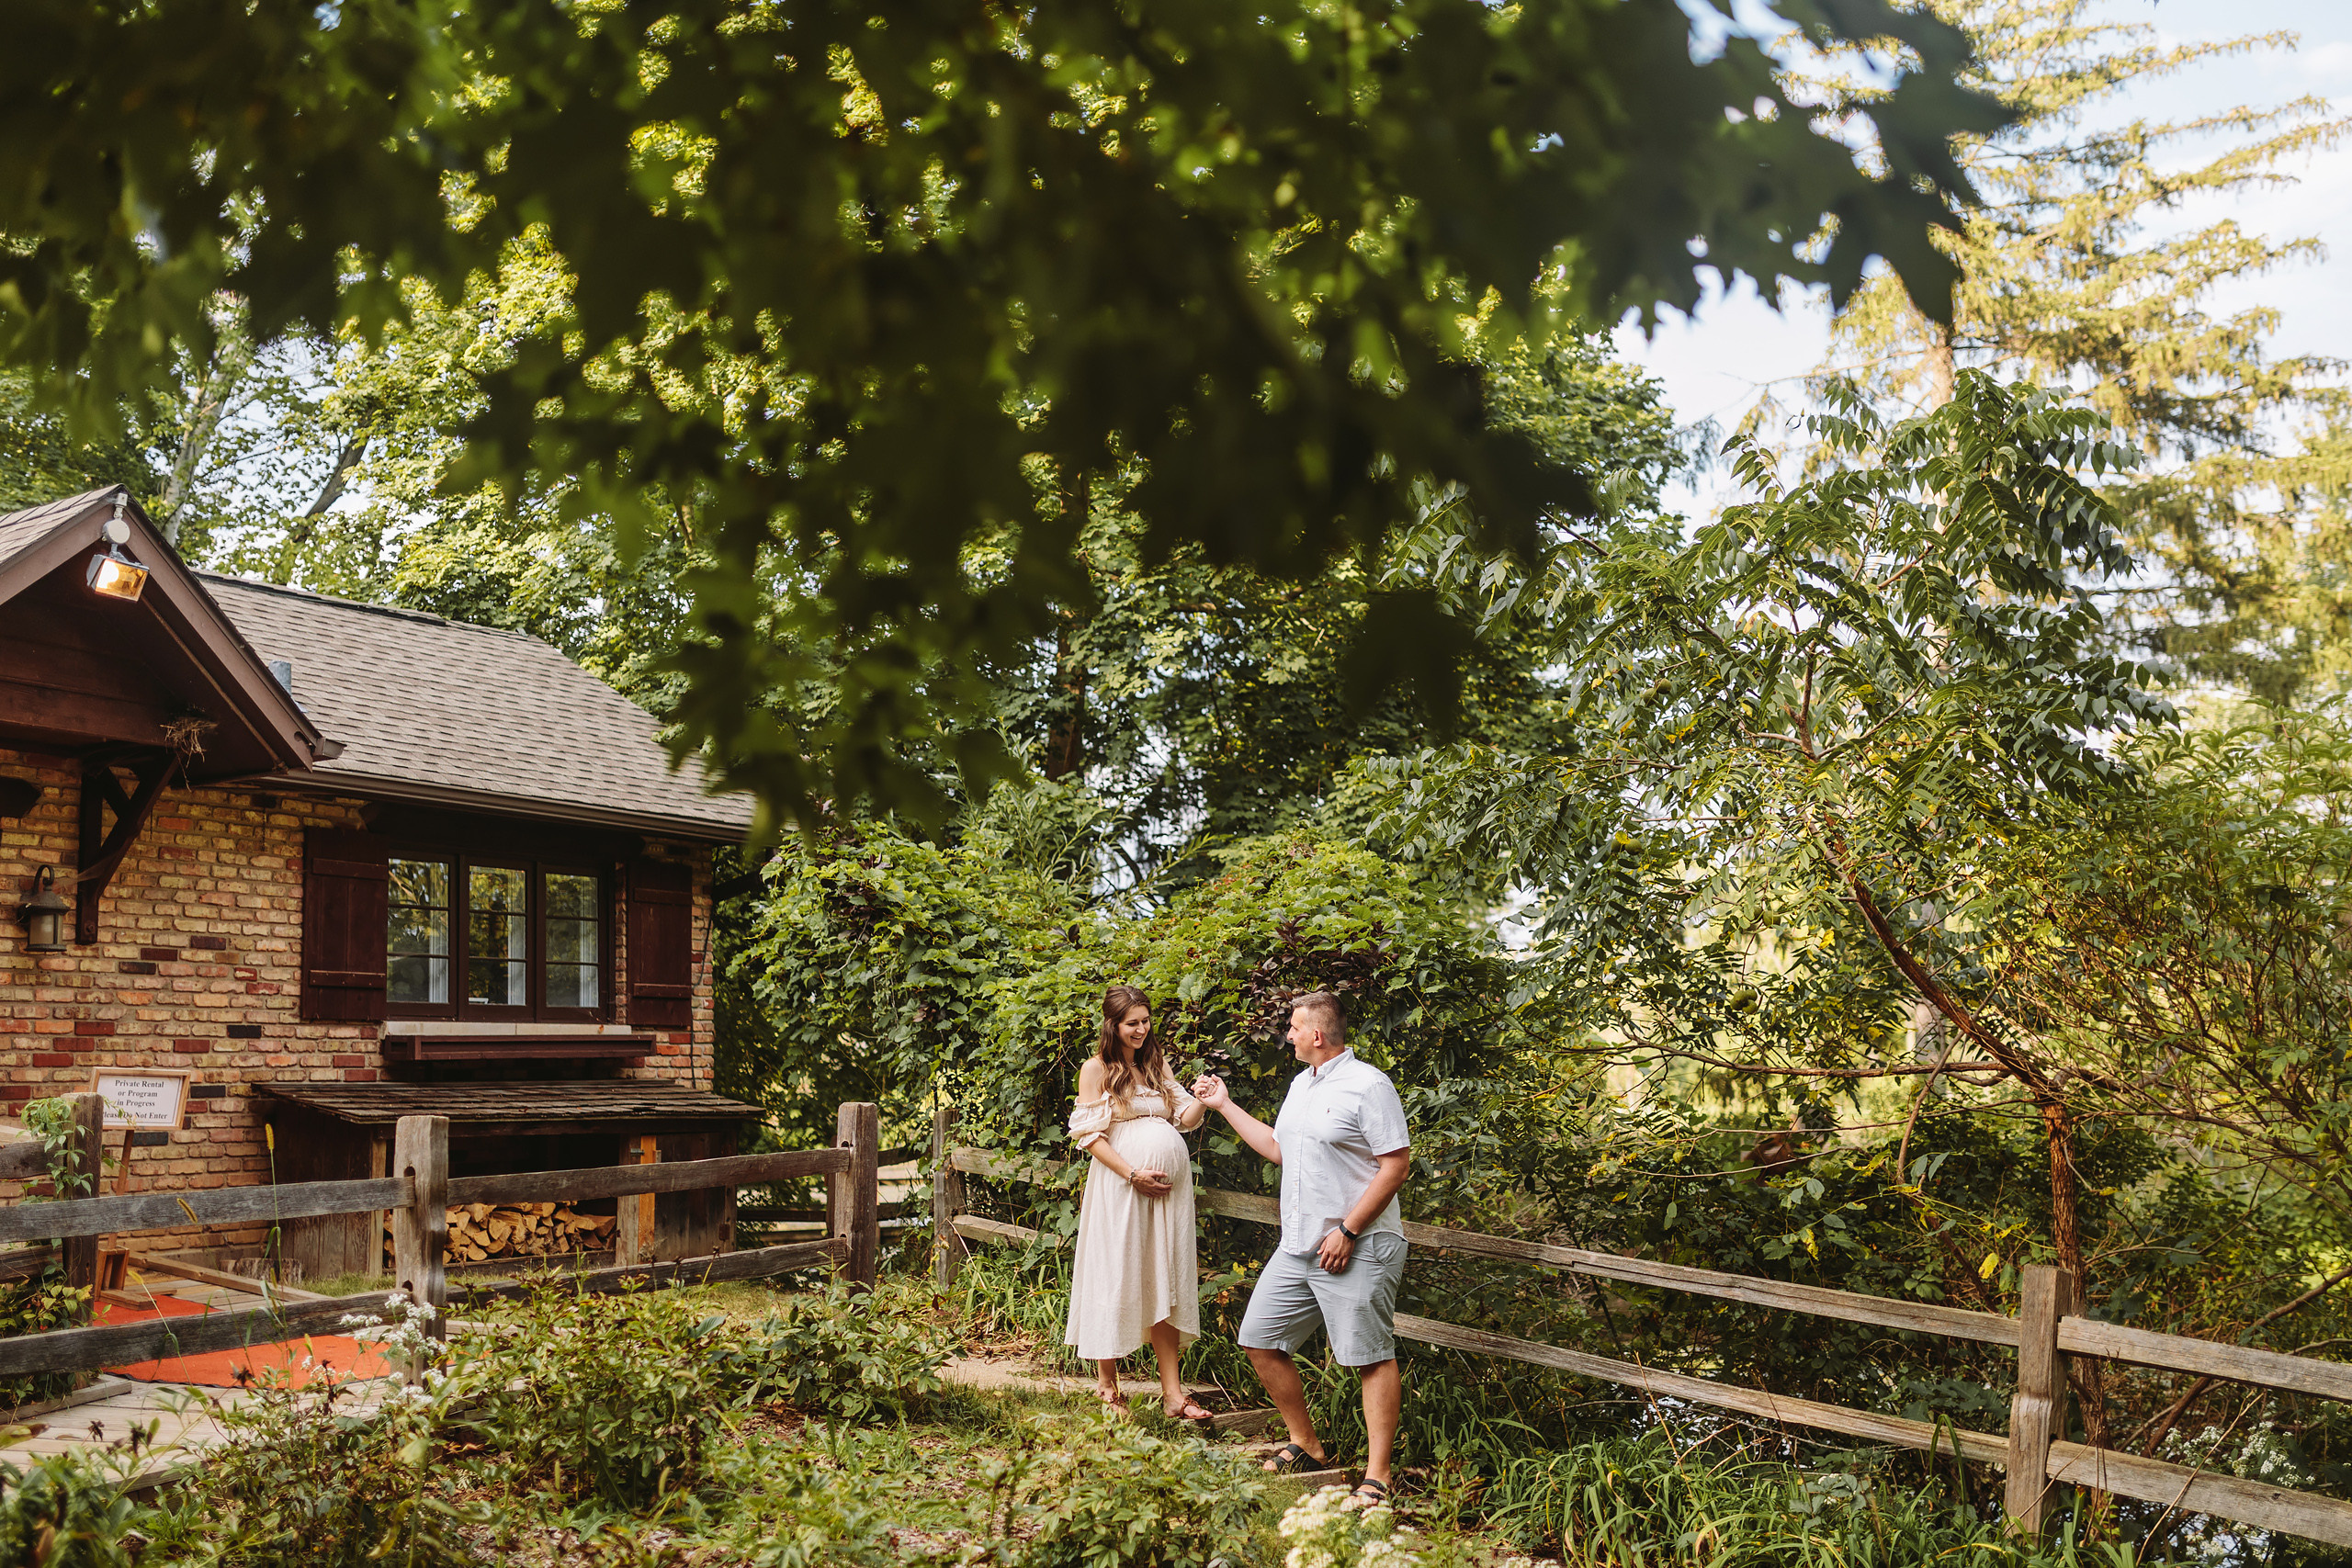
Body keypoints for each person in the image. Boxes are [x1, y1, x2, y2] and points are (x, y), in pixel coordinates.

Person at [1192, 990, 1409, 1508]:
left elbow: (1395, 1166)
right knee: (1260, 1338)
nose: (1287, 1034)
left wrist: (1350, 1230)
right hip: (1299, 1245)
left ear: (1316, 1034)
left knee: (1369, 1356)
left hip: (1357, 1244)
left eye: (1293, 1027)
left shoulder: (1369, 1086)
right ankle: (1307, 1443)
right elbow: (1278, 1148)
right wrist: (1223, 1105)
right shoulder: (1300, 1084)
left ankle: (1379, 1475)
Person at [1066, 985, 1216, 1420]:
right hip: (1122, 1187)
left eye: (1146, 1021)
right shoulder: (1095, 1069)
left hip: (1168, 1196)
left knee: (1162, 1277)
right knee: (1116, 1272)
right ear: (1112, 1025)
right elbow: (1090, 1136)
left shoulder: (1155, 1064)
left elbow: (1183, 1119)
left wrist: (1204, 1102)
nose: (1142, 1029)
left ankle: (1173, 1395)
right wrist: (1133, 1174)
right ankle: (1107, 1384)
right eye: (1133, 1023)